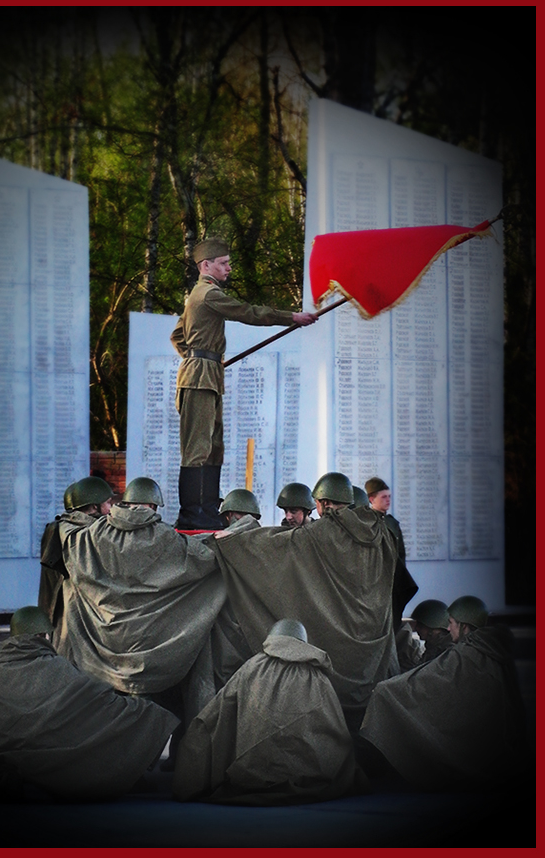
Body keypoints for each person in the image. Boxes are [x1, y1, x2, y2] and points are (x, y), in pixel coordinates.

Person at [0, 606, 179, 802]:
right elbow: (94, 697)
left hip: (9, 754)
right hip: (64, 752)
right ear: (44, 635)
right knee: (142, 713)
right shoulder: (55, 666)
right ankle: (130, 776)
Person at [212, 471, 400, 732]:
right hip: (374, 649)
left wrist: (233, 542)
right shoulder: (382, 534)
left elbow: (275, 546)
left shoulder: (320, 533)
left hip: (338, 650)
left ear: (321, 504)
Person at [170, 237, 317, 530]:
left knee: (213, 447)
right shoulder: (207, 294)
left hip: (206, 373)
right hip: (200, 376)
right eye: (223, 263)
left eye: (228, 262)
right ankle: (192, 513)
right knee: (197, 449)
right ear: (206, 265)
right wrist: (291, 317)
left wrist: (200, 357)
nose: (229, 268)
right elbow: (248, 312)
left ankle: (208, 508)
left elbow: (177, 336)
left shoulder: (195, 297)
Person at [58, 476, 226, 730]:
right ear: (154, 506)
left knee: (113, 716)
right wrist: (230, 536)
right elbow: (204, 557)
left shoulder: (93, 534)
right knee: (156, 711)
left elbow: (70, 541)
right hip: (152, 649)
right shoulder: (165, 537)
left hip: (106, 646)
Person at [172, 619, 368, 805]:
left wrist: (190, 774)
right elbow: (335, 729)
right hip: (310, 778)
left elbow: (217, 715)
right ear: (302, 640)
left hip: (249, 778)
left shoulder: (252, 668)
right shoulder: (318, 677)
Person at [357, 595, 533, 792]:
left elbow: (431, 679)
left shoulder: (467, 653)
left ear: (464, 626)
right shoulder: (492, 649)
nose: (448, 629)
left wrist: (387, 690)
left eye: (451, 623)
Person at [37, 475, 115, 661]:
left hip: (63, 622)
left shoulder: (60, 528)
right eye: (108, 503)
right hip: (72, 623)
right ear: (95, 507)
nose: (112, 509)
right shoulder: (80, 534)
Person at [365, 476, 418, 632]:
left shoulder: (392, 524)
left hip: (393, 587)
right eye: (384, 497)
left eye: (389, 496)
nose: (388, 500)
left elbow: (401, 555)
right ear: (371, 499)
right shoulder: (366, 524)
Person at [410, 598, 453, 663]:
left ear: (433, 627)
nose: (416, 628)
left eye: (421, 625)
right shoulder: (433, 647)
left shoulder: (448, 652)